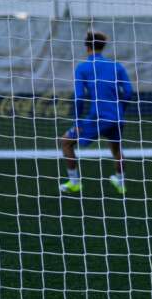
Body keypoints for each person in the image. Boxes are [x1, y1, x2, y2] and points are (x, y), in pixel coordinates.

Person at [56, 30, 135, 196]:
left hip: (98, 116)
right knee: (116, 148)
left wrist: (77, 122)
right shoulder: (116, 66)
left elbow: (79, 97)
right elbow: (128, 91)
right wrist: (120, 110)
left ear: (87, 47)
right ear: (103, 46)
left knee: (65, 142)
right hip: (117, 116)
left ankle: (74, 183)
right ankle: (121, 183)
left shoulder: (83, 68)